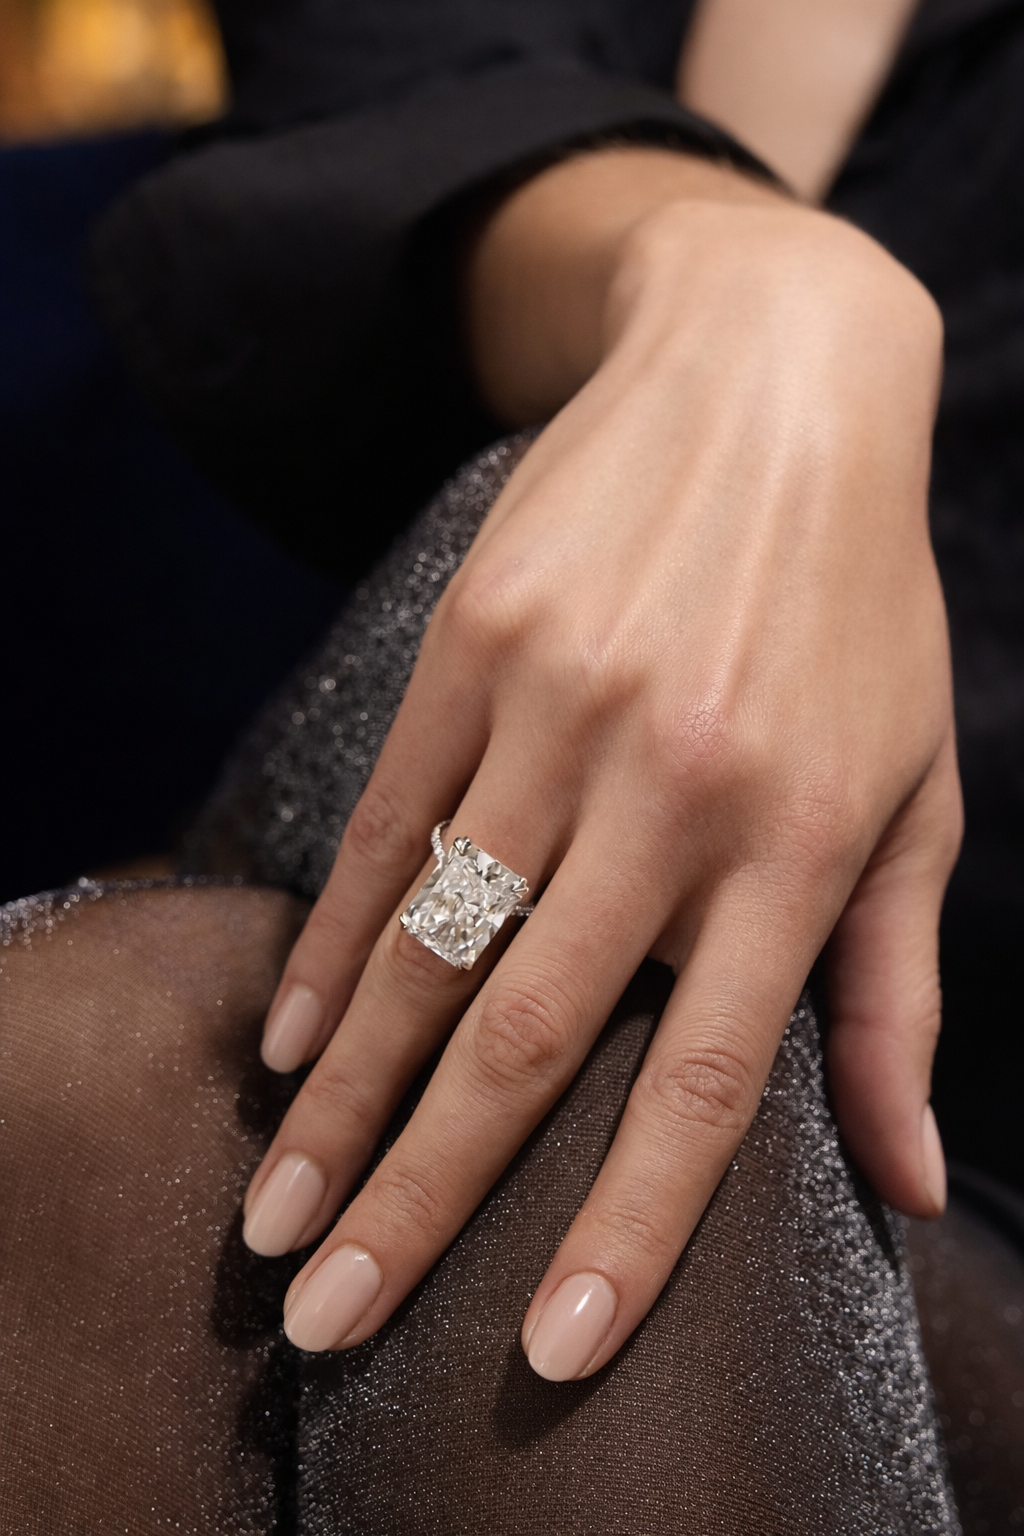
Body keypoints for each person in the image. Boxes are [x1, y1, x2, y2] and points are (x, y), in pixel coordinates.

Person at [4, 0, 1024, 1527]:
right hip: (409, 867)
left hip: (980, 1152)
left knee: (102, 1077)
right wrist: (769, 302)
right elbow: (374, 99)